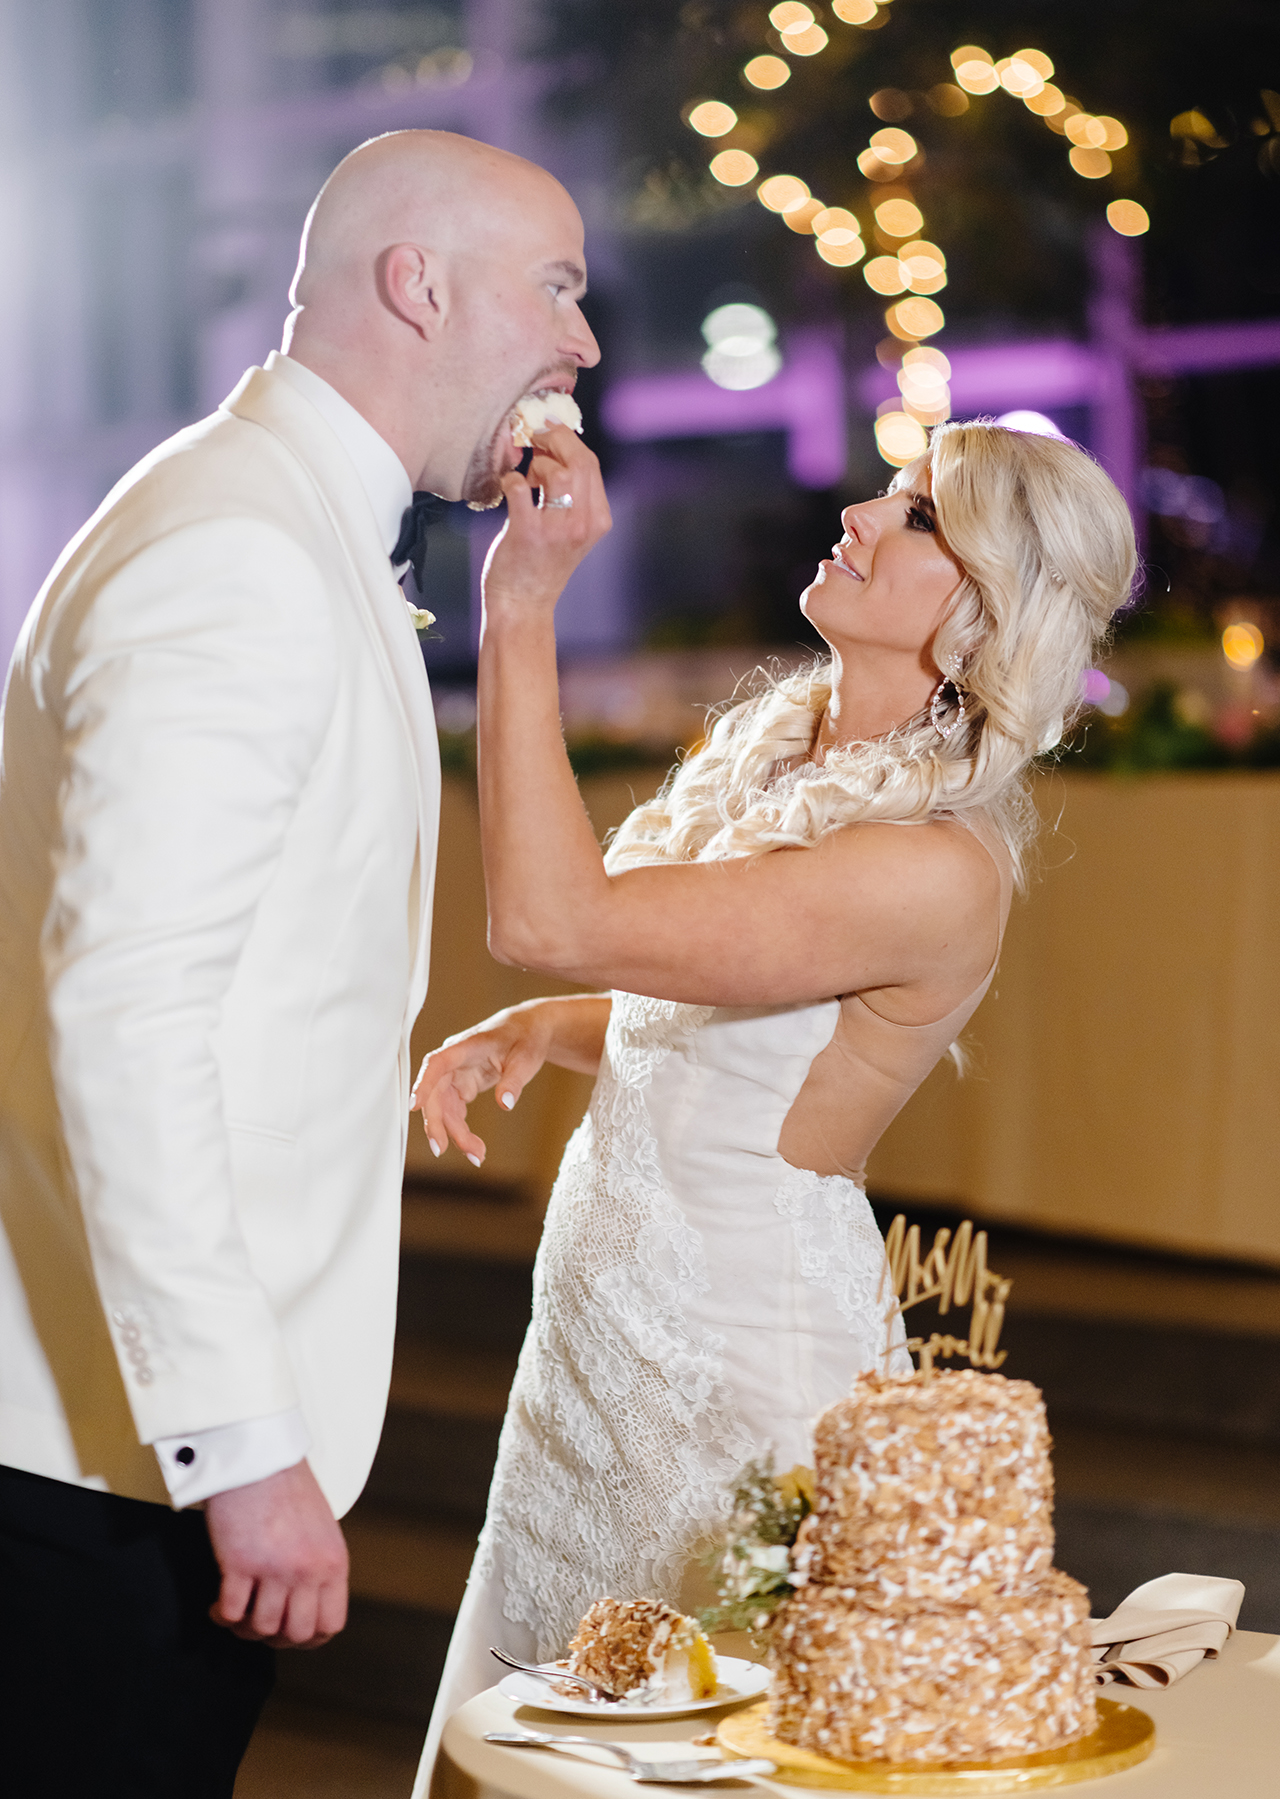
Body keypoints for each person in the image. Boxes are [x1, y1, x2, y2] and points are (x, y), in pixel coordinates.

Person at [0, 128, 599, 1797]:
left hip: (120, 1450)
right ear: (420, 286)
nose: (583, 342)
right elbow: (125, 1017)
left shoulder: (274, 516)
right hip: (110, 1462)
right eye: (557, 288)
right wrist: (241, 1444)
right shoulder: (242, 549)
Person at [410, 417, 1137, 1791]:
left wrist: (521, 606)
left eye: (920, 518)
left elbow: (552, 921)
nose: (861, 515)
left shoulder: (931, 866)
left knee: (721, 1749)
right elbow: (720, 1032)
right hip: (597, 1343)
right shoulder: (777, 757)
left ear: (986, 616)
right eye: (889, 496)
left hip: (739, 1372)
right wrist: (549, 1032)